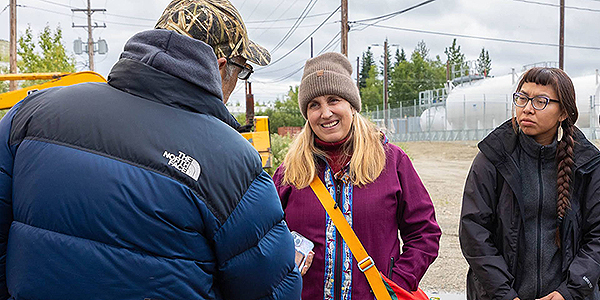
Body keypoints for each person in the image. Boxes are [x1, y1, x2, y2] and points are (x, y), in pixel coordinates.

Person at [0, 0, 302, 299]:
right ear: (221, 67)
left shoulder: (30, 114)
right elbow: (271, 292)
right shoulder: (234, 163)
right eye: (242, 70)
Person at [272, 52, 441, 300]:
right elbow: (264, 238)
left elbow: (424, 233)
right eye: (314, 105)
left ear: (351, 104)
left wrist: (397, 282)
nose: (326, 113)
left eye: (334, 100)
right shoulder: (290, 172)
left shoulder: (391, 161)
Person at [459, 67, 600, 300]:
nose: (527, 108)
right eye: (522, 98)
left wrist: (569, 291)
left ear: (563, 112)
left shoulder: (587, 164)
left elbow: (597, 237)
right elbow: (474, 231)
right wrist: (504, 294)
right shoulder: (494, 157)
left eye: (540, 101)